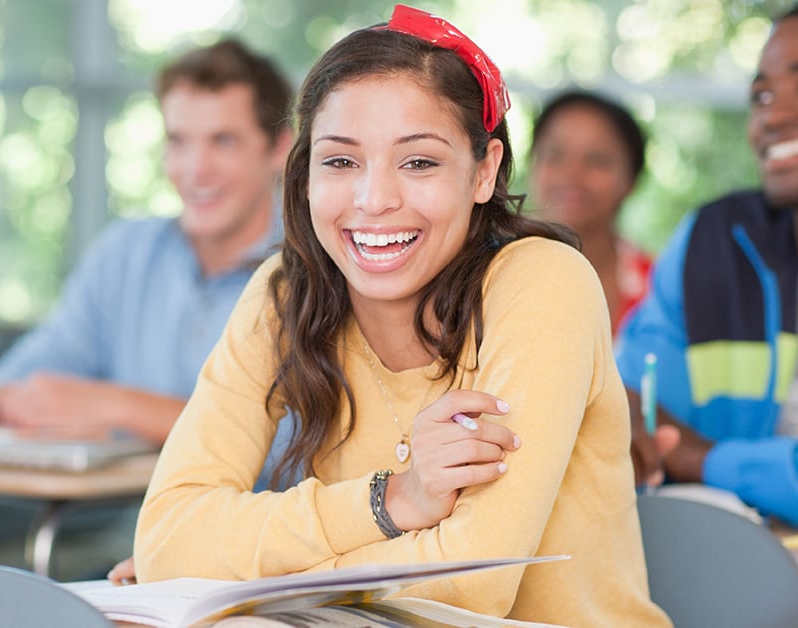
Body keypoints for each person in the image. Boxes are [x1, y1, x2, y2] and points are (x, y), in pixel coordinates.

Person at [132, 5, 668, 625]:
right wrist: (393, 501)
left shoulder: (543, 283)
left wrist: (235, 580)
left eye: (418, 162)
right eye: (340, 161)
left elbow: (469, 586)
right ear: (305, 174)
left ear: (484, 171)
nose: (374, 199)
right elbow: (166, 538)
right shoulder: (284, 293)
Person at [0, 38, 293, 446]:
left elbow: (294, 441)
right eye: (178, 141)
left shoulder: (314, 270)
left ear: (279, 147)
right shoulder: (126, 253)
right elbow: (50, 360)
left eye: (223, 141)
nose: (195, 169)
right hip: (113, 507)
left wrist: (116, 406)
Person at [619, 6, 798, 523]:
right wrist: (627, 417)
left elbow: (679, 448)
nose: (773, 115)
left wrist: (703, 458)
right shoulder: (713, 241)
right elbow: (631, 397)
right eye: (761, 96)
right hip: (727, 571)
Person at [529, 89, 652, 332]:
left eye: (597, 160)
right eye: (555, 154)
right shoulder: (478, 274)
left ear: (632, 179)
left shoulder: (660, 291)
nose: (572, 175)